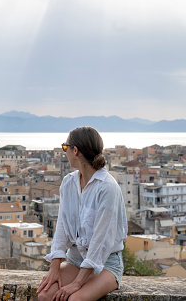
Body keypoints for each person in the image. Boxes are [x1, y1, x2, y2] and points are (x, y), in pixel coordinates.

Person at [37, 126, 127, 301]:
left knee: (75, 300)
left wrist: (78, 283)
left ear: (75, 150)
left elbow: (101, 241)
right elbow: (62, 225)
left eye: (65, 147)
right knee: (44, 296)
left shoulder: (107, 187)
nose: (65, 152)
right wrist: (54, 268)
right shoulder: (69, 183)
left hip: (106, 264)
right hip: (75, 260)